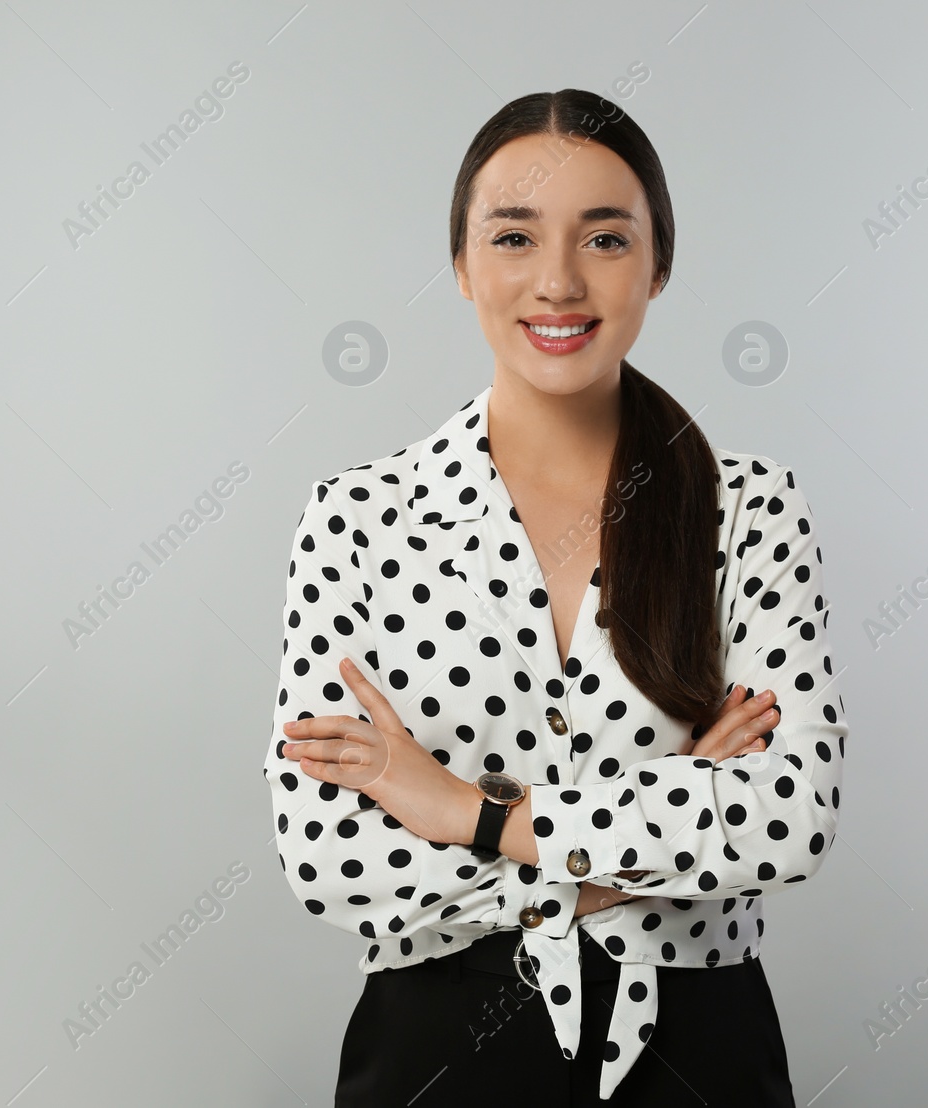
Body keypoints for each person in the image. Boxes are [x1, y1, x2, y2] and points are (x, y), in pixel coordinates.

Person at [263, 88, 848, 1106]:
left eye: (607, 238)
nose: (559, 281)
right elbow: (332, 858)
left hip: (696, 1053)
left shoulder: (750, 508)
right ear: (460, 264)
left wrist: (468, 813)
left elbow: (786, 816)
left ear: (659, 263)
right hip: (440, 1057)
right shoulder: (358, 517)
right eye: (514, 235)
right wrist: (645, 848)